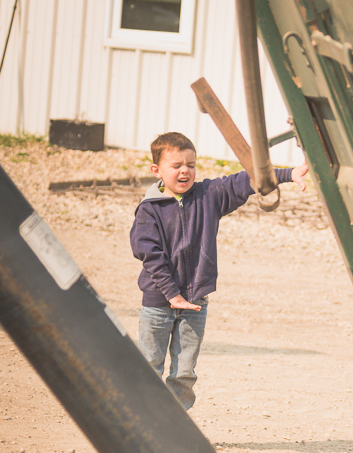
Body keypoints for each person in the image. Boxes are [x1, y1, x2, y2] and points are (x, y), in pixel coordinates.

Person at [130, 131, 308, 409]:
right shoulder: (149, 210)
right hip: (158, 303)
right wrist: (171, 294)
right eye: (176, 166)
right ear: (157, 170)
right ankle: (142, 421)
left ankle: (176, 427)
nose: (185, 171)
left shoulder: (208, 196)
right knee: (149, 365)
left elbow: (244, 179)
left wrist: (288, 174)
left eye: (190, 164)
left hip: (196, 301)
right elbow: (149, 255)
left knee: (184, 372)